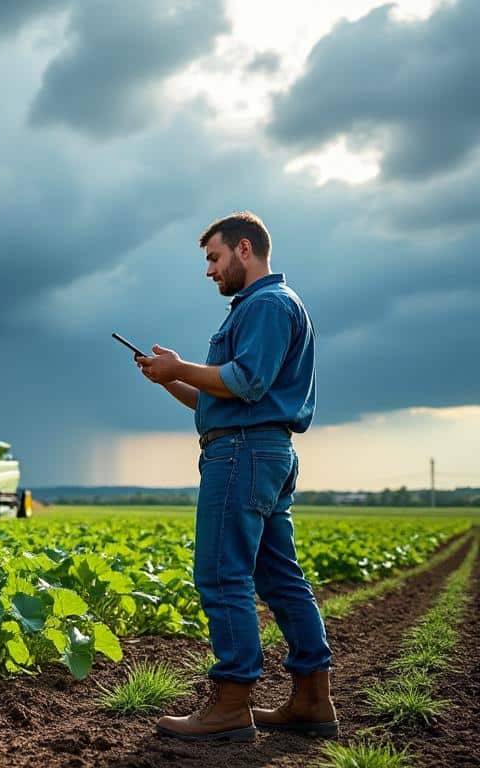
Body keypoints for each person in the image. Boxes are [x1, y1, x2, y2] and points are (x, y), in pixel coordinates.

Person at [136, 211, 336, 742]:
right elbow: (216, 396)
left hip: (244, 455)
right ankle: (313, 699)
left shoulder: (267, 305)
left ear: (244, 250)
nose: (209, 270)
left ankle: (230, 703)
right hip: (261, 450)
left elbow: (244, 382)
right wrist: (168, 378)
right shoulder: (263, 307)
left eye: (214, 258)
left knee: (223, 575)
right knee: (278, 578)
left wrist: (181, 367)